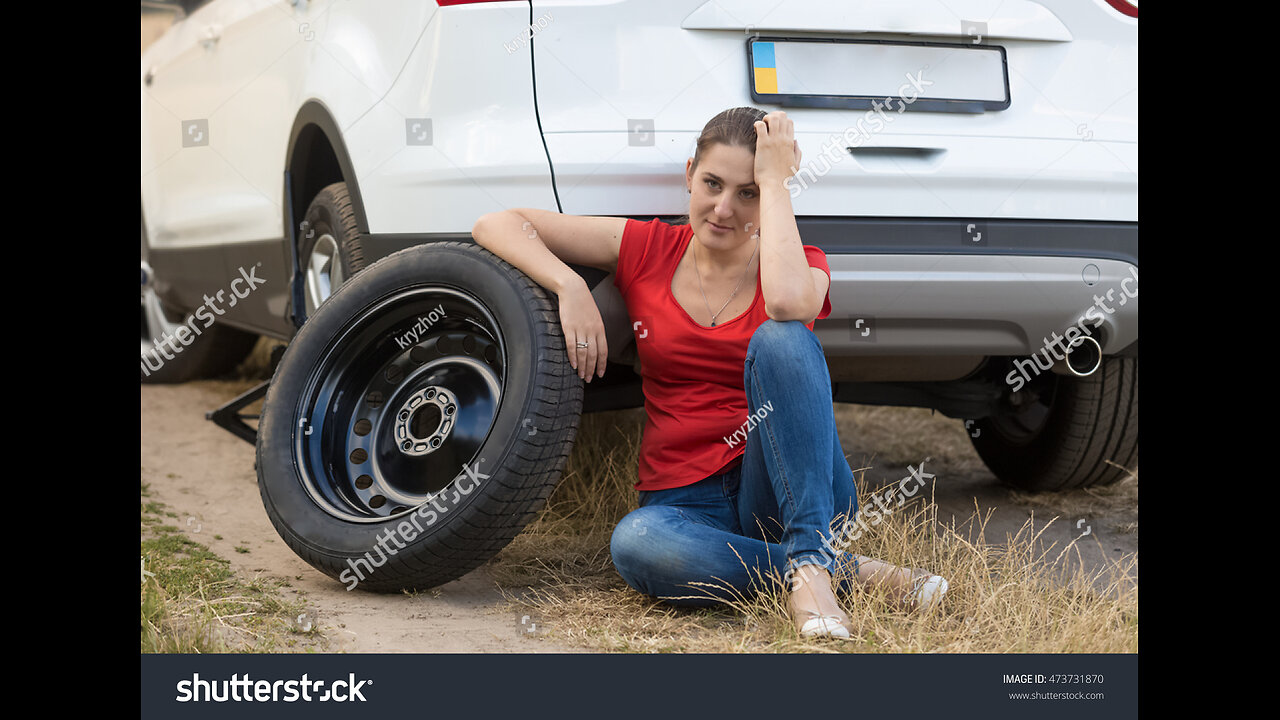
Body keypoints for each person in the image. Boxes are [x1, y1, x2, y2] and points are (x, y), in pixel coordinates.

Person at [471, 107, 947, 638]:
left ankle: (811, 561)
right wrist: (569, 286)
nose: (724, 209)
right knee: (638, 544)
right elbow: (497, 224)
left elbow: (789, 304)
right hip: (682, 500)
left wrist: (776, 180)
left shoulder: (800, 262)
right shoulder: (647, 247)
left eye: (748, 193)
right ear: (690, 173)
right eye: (712, 183)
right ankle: (850, 573)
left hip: (783, 485)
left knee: (781, 336)